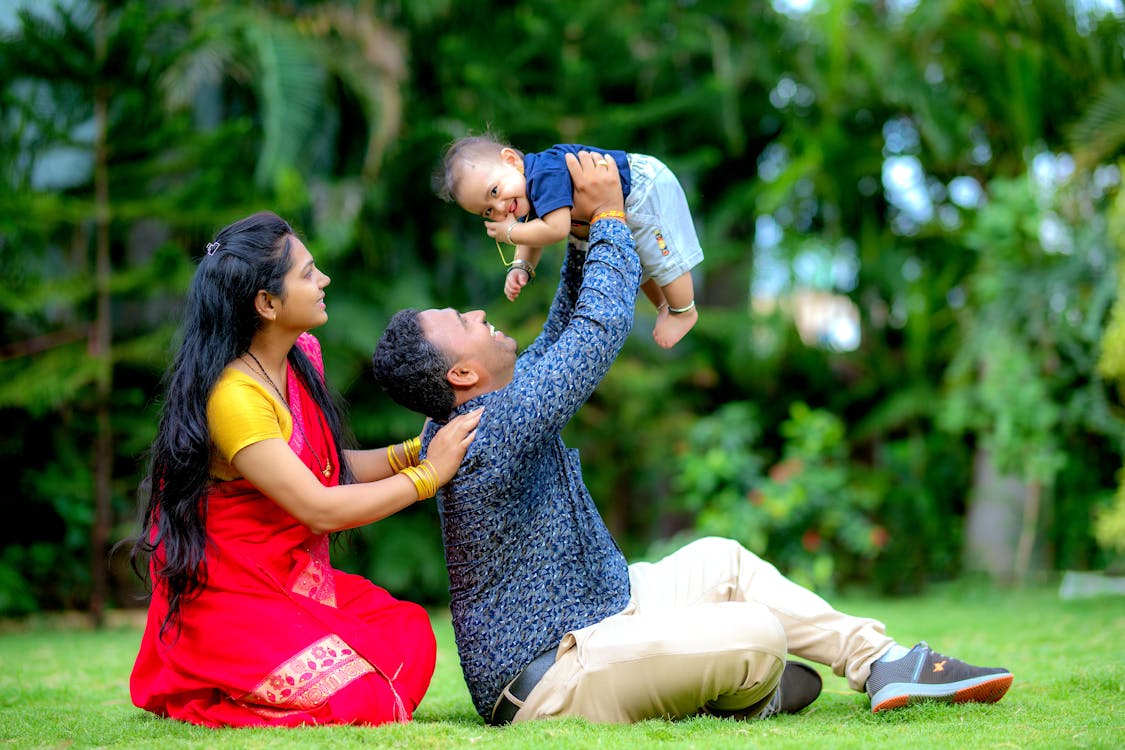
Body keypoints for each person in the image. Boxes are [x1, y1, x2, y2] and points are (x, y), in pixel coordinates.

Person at [373, 152, 1013, 725]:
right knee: (759, 635)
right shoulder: (495, 427)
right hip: (549, 675)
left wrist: (580, 224)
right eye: (465, 321)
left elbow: (567, 320)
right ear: (462, 374)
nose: (480, 313)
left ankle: (886, 665)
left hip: (602, 611)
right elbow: (596, 330)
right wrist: (614, 219)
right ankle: (743, 687)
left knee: (724, 561)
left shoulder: (492, 404)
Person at [128, 211, 482, 727]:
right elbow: (317, 506)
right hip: (234, 592)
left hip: (288, 577)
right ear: (267, 304)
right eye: (308, 273)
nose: (324, 281)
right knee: (366, 699)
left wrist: (416, 450)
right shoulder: (235, 398)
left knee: (408, 632)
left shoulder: (299, 357)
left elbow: (328, 469)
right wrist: (429, 477)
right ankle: (214, 682)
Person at [436, 133, 703, 349]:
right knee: (642, 265)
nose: (499, 208)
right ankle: (664, 306)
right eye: (487, 211)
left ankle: (684, 311)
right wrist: (521, 266)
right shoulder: (525, 193)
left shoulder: (543, 175)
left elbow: (556, 229)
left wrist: (509, 233)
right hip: (624, 205)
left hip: (642, 188)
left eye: (494, 191)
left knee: (664, 259)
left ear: (511, 161)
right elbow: (533, 232)